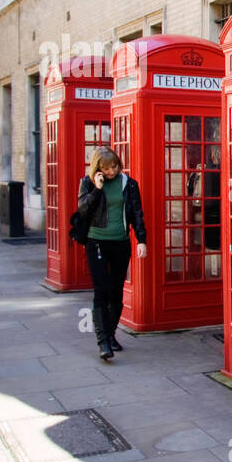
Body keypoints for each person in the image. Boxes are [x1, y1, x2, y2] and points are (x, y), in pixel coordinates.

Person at [78, 148, 147, 360]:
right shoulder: (88, 183)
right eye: (107, 168)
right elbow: (82, 210)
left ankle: (110, 334)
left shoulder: (129, 184)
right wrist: (97, 190)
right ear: (98, 168)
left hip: (121, 242)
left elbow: (137, 212)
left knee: (116, 293)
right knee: (101, 291)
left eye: (115, 166)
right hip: (96, 242)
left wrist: (142, 239)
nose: (111, 171)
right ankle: (103, 342)